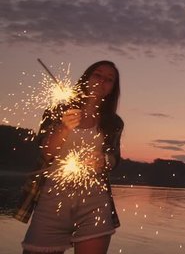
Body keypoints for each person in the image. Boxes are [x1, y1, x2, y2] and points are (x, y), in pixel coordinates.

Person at [14, 61, 124, 254]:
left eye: (109, 80)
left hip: (95, 204)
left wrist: (104, 160)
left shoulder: (113, 122)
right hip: (51, 202)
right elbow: (45, 153)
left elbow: (114, 158)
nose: (102, 81)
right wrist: (63, 128)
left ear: (112, 88)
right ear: (86, 78)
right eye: (97, 75)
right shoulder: (57, 112)